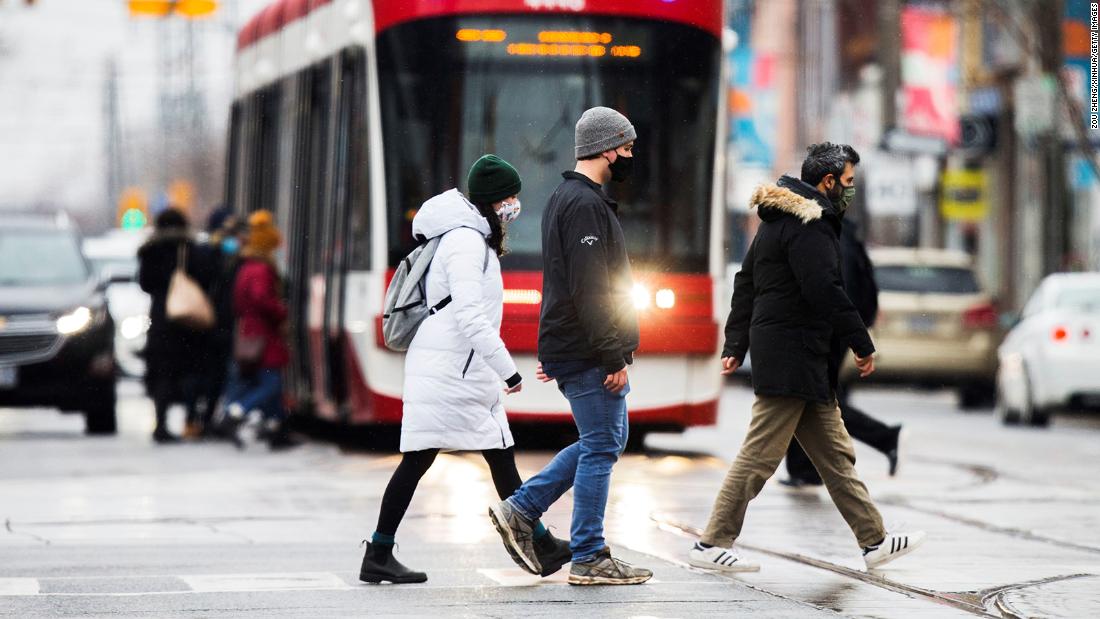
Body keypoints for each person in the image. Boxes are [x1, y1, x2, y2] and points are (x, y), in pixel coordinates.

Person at [688, 143, 925, 573]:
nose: (851, 191)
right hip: (791, 356)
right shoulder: (809, 224)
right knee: (759, 456)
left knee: (836, 456)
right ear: (828, 182)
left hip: (799, 355)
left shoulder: (780, 221)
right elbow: (824, 290)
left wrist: (736, 343)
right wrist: (861, 340)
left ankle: (874, 541)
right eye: (849, 182)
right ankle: (711, 543)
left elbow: (747, 283)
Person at [359, 155, 570, 584]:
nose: (514, 204)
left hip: (456, 367)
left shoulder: (472, 238)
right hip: (452, 369)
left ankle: (540, 543)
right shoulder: (465, 242)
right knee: (434, 457)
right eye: (510, 197)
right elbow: (470, 315)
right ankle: (379, 551)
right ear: (493, 201)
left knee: (488, 453)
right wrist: (508, 370)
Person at [488, 107, 652, 586]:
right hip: (588, 348)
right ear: (607, 148)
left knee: (604, 440)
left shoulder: (568, 197)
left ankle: (522, 509)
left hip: (574, 345)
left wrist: (555, 345)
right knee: (602, 445)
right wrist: (611, 354)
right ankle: (588, 554)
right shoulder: (583, 204)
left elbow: (562, 282)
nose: (630, 157)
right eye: (627, 148)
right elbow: (588, 287)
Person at [782, 215, 902, 486]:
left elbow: (835, 289)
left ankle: (884, 437)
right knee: (814, 396)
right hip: (835, 328)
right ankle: (806, 469)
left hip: (828, 330)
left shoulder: (831, 234)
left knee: (816, 399)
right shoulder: (842, 232)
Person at [137, 208, 214, 444]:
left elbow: (144, 284)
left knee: (163, 375)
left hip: (161, 321)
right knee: (191, 371)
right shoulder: (191, 249)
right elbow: (205, 277)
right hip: (187, 321)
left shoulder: (149, 251)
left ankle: (160, 423)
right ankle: (191, 421)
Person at [223, 210, 297, 450]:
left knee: (269, 386)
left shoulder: (246, 267)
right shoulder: (261, 269)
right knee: (271, 384)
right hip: (264, 335)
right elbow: (262, 298)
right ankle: (237, 411)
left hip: (251, 331)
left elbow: (238, 301)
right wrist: (281, 310)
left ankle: (277, 430)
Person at [189, 206, 246, 439]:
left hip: (206, 323)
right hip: (214, 322)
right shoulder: (219, 254)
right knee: (212, 375)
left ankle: (199, 419)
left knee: (209, 374)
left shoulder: (206, 251)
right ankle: (202, 419)